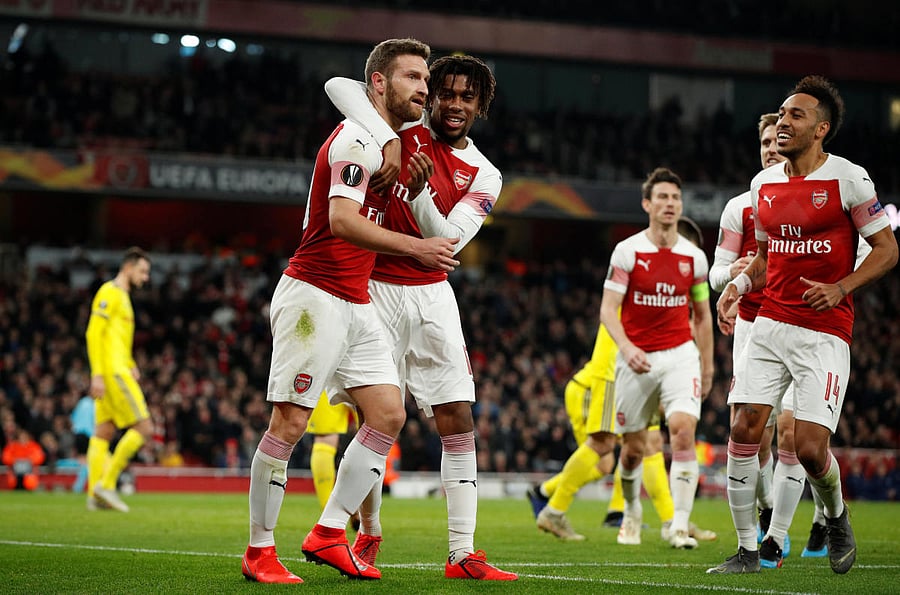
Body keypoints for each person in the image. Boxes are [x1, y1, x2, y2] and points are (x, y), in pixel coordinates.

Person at [240, 38, 459, 584]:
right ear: (380, 83)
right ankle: (259, 551)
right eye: (413, 78)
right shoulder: (356, 140)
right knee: (291, 421)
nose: (424, 90)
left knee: (387, 414)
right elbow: (341, 221)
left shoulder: (392, 141)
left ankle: (330, 532)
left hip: (354, 298)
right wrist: (413, 248)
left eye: (426, 81)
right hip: (313, 294)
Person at [323, 54, 517, 580]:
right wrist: (389, 143)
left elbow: (448, 242)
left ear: (480, 106)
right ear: (431, 95)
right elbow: (339, 85)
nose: (454, 105)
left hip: (433, 298)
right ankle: (363, 530)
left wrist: (419, 189)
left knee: (457, 418)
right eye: (446, 93)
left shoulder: (486, 173)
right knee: (376, 418)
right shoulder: (398, 126)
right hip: (376, 286)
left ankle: (462, 554)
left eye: (466, 97)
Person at [708, 75, 898, 575]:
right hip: (770, 321)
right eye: (781, 114)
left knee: (811, 450)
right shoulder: (762, 185)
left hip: (824, 330)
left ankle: (835, 516)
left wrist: (842, 287)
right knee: (745, 427)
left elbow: (888, 250)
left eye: (795, 116)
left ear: (821, 129)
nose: (783, 123)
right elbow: (769, 256)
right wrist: (739, 286)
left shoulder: (849, 179)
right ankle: (750, 549)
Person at [599, 167, 714, 549]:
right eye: (662, 197)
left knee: (682, 430)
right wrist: (628, 348)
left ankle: (680, 525)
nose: (670, 204)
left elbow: (702, 316)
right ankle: (631, 511)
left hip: (680, 354)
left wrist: (708, 365)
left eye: (676, 198)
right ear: (647, 204)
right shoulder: (628, 251)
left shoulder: (694, 257)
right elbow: (608, 310)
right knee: (632, 450)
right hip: (636, 359)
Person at [84, 246, 153, 512]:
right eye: (143, 271)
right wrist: (97, 374)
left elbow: (116, 341)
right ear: (128, 267)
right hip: (112, 373)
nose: (145, 277)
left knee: (104, 431)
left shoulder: (123, 296)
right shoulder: (110, 292)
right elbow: (93, 333)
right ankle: (107, 484)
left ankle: (93, 495)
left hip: (118, 367)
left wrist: (131, 363)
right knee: (145, 428)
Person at [3, 426, 45, 490]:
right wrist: (15, 461)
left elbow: (39, 457)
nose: (23, 438)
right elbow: (6, 457)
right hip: (14, 470)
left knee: (30, 479)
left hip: (30, 470)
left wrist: (29, 461)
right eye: (21, 436)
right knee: (13, 479)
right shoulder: (12, 446)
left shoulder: (34, 446)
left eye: (24, 436)